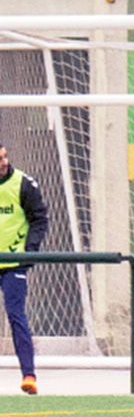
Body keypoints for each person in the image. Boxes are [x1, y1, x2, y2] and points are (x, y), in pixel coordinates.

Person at [0, 143, 49, 395]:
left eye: (4, 156)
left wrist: (29, 252)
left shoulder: (23, 184)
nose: (4, 162)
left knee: (16, 315)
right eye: (0, 159)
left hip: (13, 262)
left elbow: (39, 219)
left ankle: (29, 375)